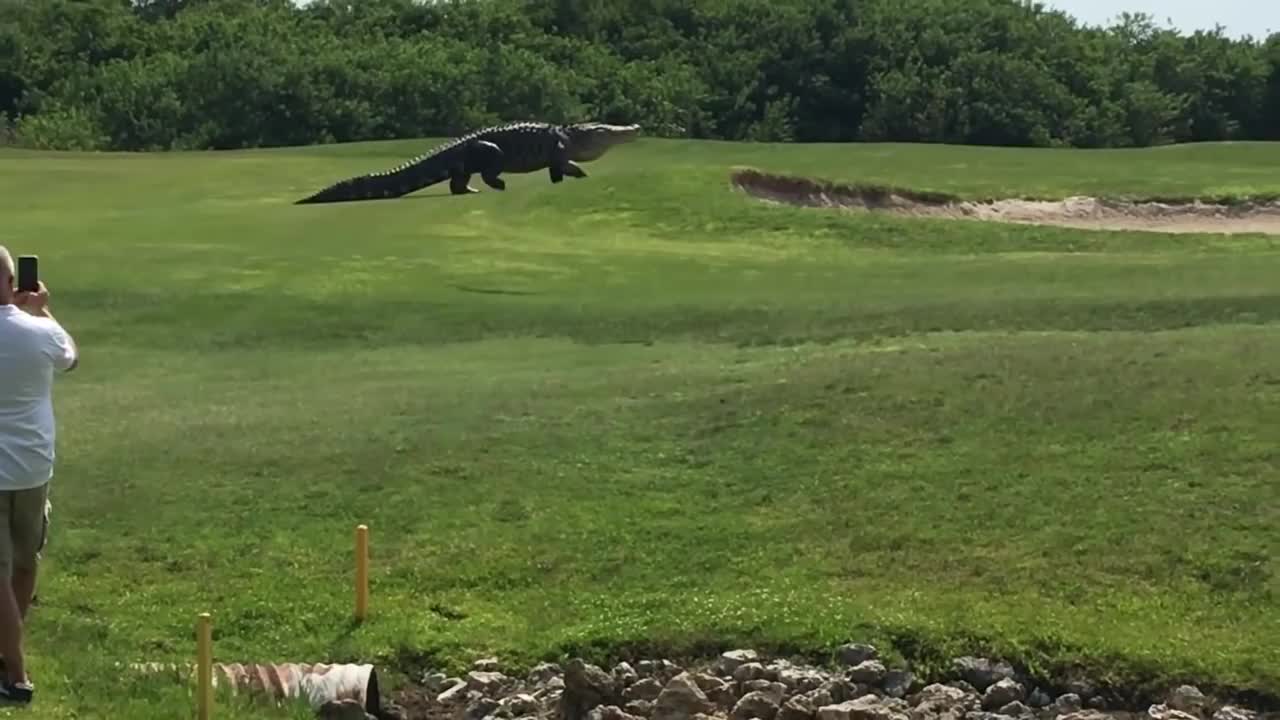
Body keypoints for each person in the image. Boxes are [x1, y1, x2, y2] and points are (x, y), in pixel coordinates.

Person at [0, 246, 77, 704]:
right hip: (32, 466)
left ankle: (11, 666)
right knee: (25, 563)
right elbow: (71, 358)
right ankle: (14, 666)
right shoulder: (41, 330)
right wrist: (44, 310)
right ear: (13, 281)